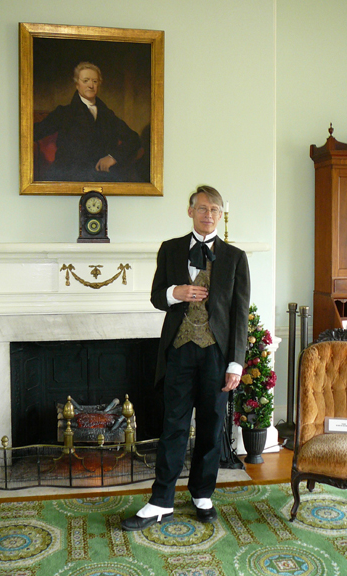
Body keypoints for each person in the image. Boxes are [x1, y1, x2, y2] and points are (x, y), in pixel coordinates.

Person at [122, 185, 251, 531]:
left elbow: (240, 315)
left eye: (215, 210)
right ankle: (161, 499)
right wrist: (175, 293)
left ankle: (202, 494)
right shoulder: (170, 249)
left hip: (217, 356)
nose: (209, 215)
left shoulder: (236, 258)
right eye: (203, 208)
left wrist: (236, 363)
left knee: (211, 427)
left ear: (221, 216)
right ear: (191, 211)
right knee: (174, 427)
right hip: (178, 352)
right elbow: (155, 296)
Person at [34, 62, 142, 182]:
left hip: (101, 175)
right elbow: (34, 132)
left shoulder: (107, 115)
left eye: (95, 81)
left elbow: (134, 138)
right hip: (68, 175)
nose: (91, 85)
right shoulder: (64, 113)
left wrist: (113, 157)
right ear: (77, 84)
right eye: (85, 80)